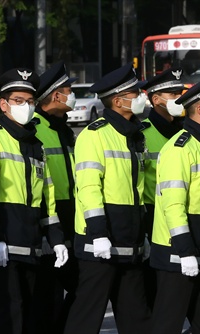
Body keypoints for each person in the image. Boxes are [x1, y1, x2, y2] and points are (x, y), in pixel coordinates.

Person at [0, 68, 68, 334]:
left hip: (31, 241)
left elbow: (46, 195)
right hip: (0, 239)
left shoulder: (36, 145)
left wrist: (56, 238)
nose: (26, 106)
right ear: (3, 104)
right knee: (11, 310)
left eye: (30, 101)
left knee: (33, 310)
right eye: (18, 101)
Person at [63, 64, 152, 334]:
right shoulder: (94, 135)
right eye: (134, 93)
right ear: (117, 100)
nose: (140, 97)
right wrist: (98, 233)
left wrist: (144, 233)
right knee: (86, 318)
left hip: (130, 242)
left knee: (137, 319)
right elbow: (89, 187)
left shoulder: (135, 134)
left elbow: (139, 189)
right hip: (99, 245)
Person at [149, 74, 200, 333]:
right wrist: (184, 251)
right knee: (167, 323)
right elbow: (173, 205)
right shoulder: (179, 149)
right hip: (179, 253)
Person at [33, 61, 79, 333]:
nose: (71, 94)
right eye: (68, 89)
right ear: (54, 95)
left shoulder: (63, 128)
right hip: (49, 215)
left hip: (72, 214)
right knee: (47, 293)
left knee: (80, 287)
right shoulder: (36, 127)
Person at [140, 67, 185, 307]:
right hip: (154, 219)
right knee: (158, 294)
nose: (179, 97)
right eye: (172, 94)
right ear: (155, 99)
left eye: (180, 91)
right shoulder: (143, 134)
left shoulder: (187, 131)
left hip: (185, 216)